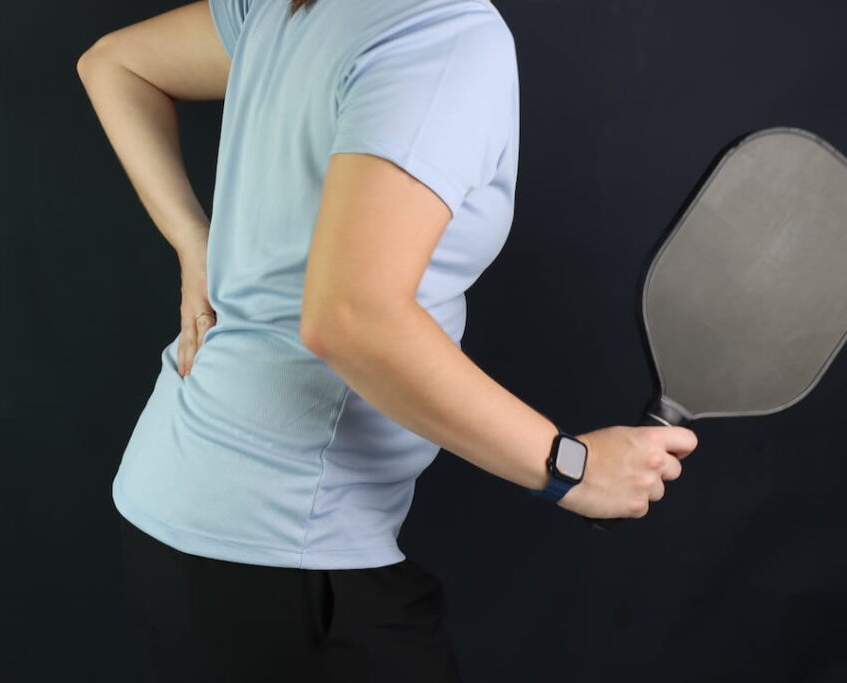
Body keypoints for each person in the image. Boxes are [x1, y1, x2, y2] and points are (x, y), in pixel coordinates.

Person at [76, 0, 697, 680]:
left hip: (175, 505)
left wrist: (195, 243)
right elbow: (350, 318)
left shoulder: (290, 6)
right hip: (282, 547)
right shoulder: (444, 35)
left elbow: (112, 63)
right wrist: (571, 468)